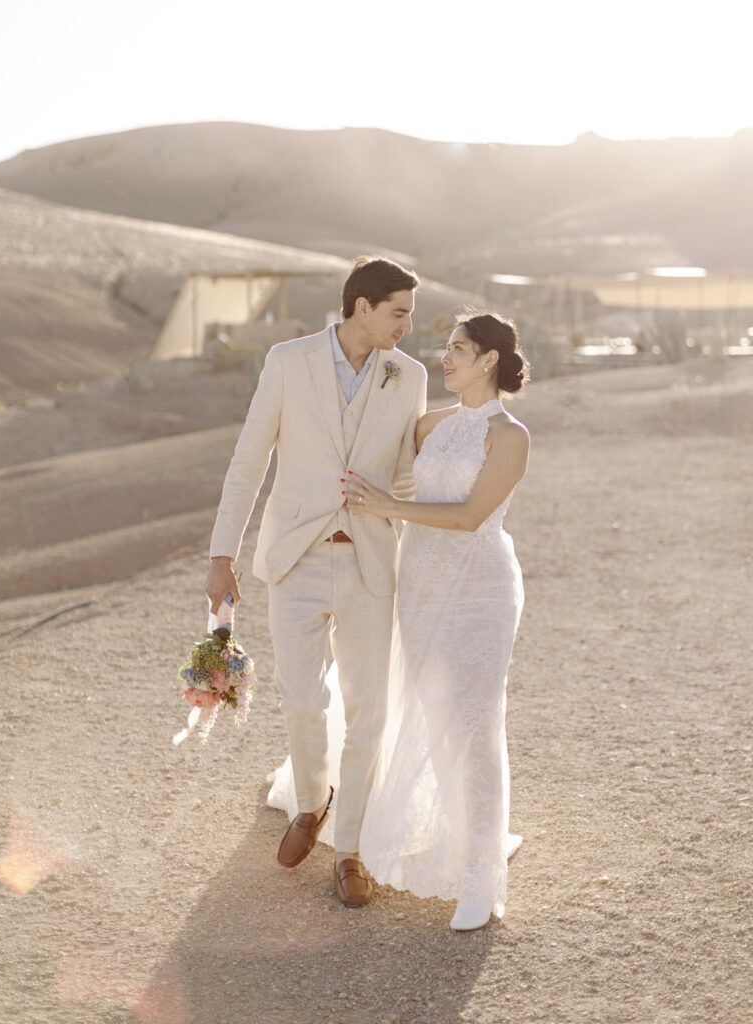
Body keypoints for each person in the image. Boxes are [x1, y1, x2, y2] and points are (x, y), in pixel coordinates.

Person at [205, 256, 427, 907]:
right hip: (297, 560)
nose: (408, 327)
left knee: (369, 711)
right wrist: (224, 554)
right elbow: (250, 460)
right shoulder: (287, 361)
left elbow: (407, 478)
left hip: (370, 565)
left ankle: (351, 850)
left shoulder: (406, 375)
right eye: (399, 312)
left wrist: (417, 557)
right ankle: (311, 804)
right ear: (360, 306)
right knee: (301, 698)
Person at [344, 311, 530, 930]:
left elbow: (472, 515)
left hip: (481, 589)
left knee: (475, 722)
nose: (444, 359)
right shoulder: (427, 425)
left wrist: (389, 506)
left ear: (490, 361)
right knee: (437, 712)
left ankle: (482, 879)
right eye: (445, 348)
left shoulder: (509, 437)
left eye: (458, 349)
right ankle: (469, 837)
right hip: (420, 582)